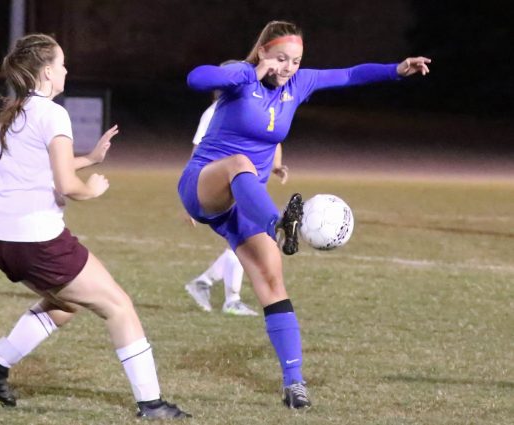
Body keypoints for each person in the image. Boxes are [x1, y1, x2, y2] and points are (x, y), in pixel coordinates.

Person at [178, 20, 430, 409]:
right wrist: (249, 72)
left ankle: (294, 384)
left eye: (295, 61)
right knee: (240, 163)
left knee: (272, 284)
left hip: (246, 203)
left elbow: (349, 74)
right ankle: (280, 225)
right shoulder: (243, 77)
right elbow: (196, 78)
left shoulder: (298, 84)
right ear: (262, 51)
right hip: (205, 184)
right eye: (280, 58)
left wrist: (395, 70)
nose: (287, 68)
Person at [0, 33, 190, 419]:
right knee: (119, 306)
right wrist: (91, 189)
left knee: (67, 302)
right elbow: (65, 185)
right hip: (37, 240)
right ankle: (152, 404)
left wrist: (89, 158)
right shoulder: (54, 114)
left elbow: (39, 168)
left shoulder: (15, 112)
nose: (66, 70)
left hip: (3, 241)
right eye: (61, 63)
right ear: (45, 71)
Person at [184, 87, 289, 316]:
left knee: (248, 241)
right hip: (223, 186)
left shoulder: (253, 106)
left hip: (247, 184)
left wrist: (276, 166)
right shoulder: (214, 113)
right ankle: (230, 298)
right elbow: (197, 151)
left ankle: (205, 282)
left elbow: (273, 138)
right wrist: (193, 193)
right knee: (248, 240)